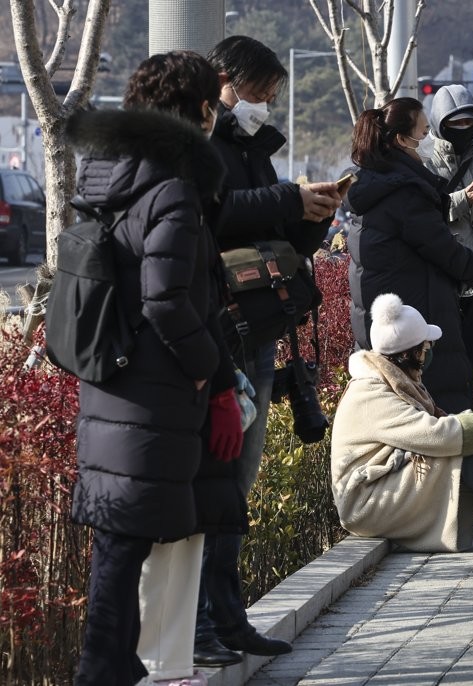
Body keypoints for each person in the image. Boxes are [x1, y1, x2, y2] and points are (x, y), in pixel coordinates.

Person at [68, 51, 243, 686]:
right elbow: (166, 296)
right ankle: (100, 669)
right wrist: (204, 369)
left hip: (111, 376)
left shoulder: (112, 171)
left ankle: (114, 660)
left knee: (120, 535)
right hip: (154, 387)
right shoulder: (171, 184)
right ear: (198, 109)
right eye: (213, 102)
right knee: (125, 539)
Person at [195, 35, 342, 664]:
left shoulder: (254, 148)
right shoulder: (197, 146)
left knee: (240, 480)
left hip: (257, 325)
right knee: (214, 481)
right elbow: (212, 214)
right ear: (223, 82)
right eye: (257, 93)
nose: (264, 104)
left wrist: (312, 214)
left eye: (272, 96)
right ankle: (199, 624)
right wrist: (288, 197)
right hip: (217, 328)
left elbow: (276, 244)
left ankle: (229, 616)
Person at [330, 293, 473, 553]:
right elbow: (434, 435)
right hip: (366, 504)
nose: (429, 353)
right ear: (408, 352)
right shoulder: (370, 392)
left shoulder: (396, 379)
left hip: (384, 486)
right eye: (426, 347)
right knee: (462, 446)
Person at [347, 97, 473, 414]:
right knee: (433, 412)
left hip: (389, 317)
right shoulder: (405, 191)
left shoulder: (375, 183)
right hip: (413, 320)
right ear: (400, 140)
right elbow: (441, 248)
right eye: (422, 136)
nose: (424, 146)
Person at [424, 84, 473, 389]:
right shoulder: (424, 158)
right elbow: (425, 214)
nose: (463, 129)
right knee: (443, 354)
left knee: (472, 356)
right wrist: (463, 199)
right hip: (445, 269)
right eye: (455, 124)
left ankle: (466, 412)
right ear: (439, 124)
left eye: (469, 123)